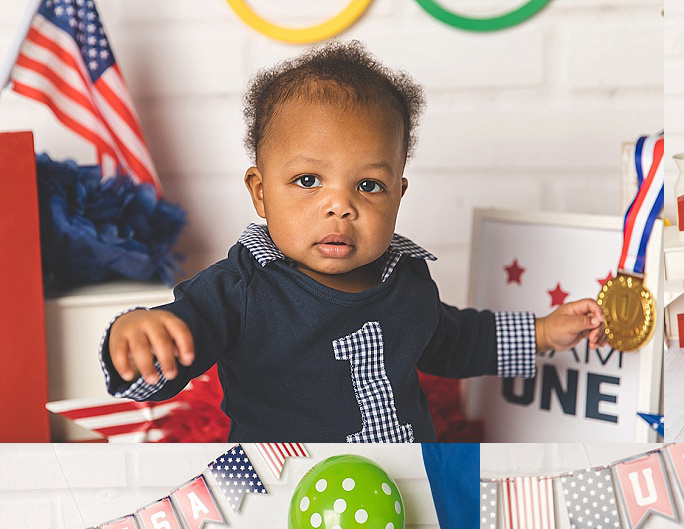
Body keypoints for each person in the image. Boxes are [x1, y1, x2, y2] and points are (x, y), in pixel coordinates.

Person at [99, 41, 603, 441]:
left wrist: (542, 332)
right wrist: (138, 339)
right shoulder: (240, 290)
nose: (340, 206)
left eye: (368, 185)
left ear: (398, 194)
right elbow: (174, 354)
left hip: (404, 483)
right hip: (289, 493)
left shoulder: (406, 278)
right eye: (308, 181)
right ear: (260, 192)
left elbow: (452, 340)